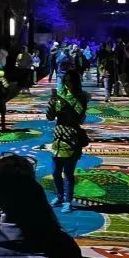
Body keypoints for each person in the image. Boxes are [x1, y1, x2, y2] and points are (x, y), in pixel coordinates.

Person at [47, 70, 89, 212]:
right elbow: (50, 117)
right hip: (58, 138)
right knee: (55, 171)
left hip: (72, 138)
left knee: (68, 173)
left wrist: (65, 104)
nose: (68, 84)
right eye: (66, 81)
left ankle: (67, 201)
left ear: (76, 82)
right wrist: (52, 102)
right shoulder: (59, 96)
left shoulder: (81, 97)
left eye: (70, 81)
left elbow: (80, 118)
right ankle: (59, 196)